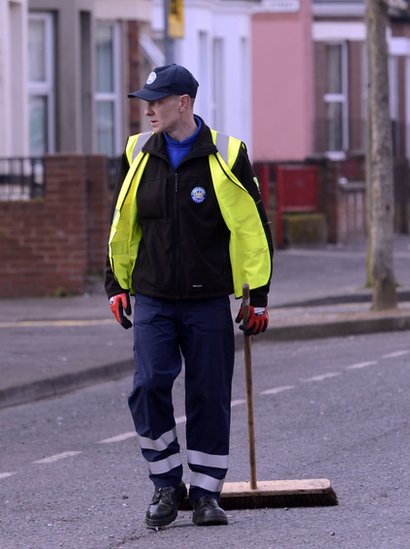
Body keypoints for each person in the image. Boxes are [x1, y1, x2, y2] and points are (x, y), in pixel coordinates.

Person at [105, 64, 274, 528]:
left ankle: (204, 494)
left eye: (156, 101)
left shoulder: (228, 153)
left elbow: (253, 228)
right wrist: (116, 284)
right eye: (145, 102)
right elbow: (123, 222)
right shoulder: (136, 152)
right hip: (154, 297)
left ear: (184, 102)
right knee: (148, 385)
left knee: (209, 394)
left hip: (207, 299)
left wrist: (256, 294)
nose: (148, 110)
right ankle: (165, 484)